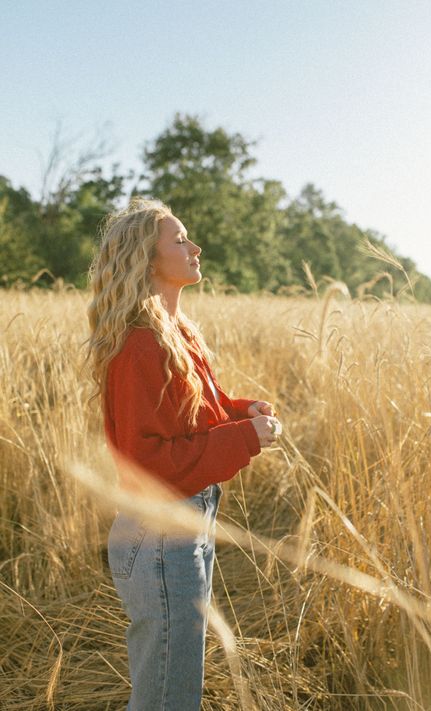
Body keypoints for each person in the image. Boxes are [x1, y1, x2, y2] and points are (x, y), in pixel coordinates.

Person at [84, 197, 282, 710]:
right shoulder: (139, 345)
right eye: (179, 239)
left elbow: (189, 418)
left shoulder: (176, 332)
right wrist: (246, 438)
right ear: (147, 260)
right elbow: (147, 462)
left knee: (175, 691)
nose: (195, 247)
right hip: (160, 534)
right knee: (168, 700)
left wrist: (241, 413)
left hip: (188, 521)